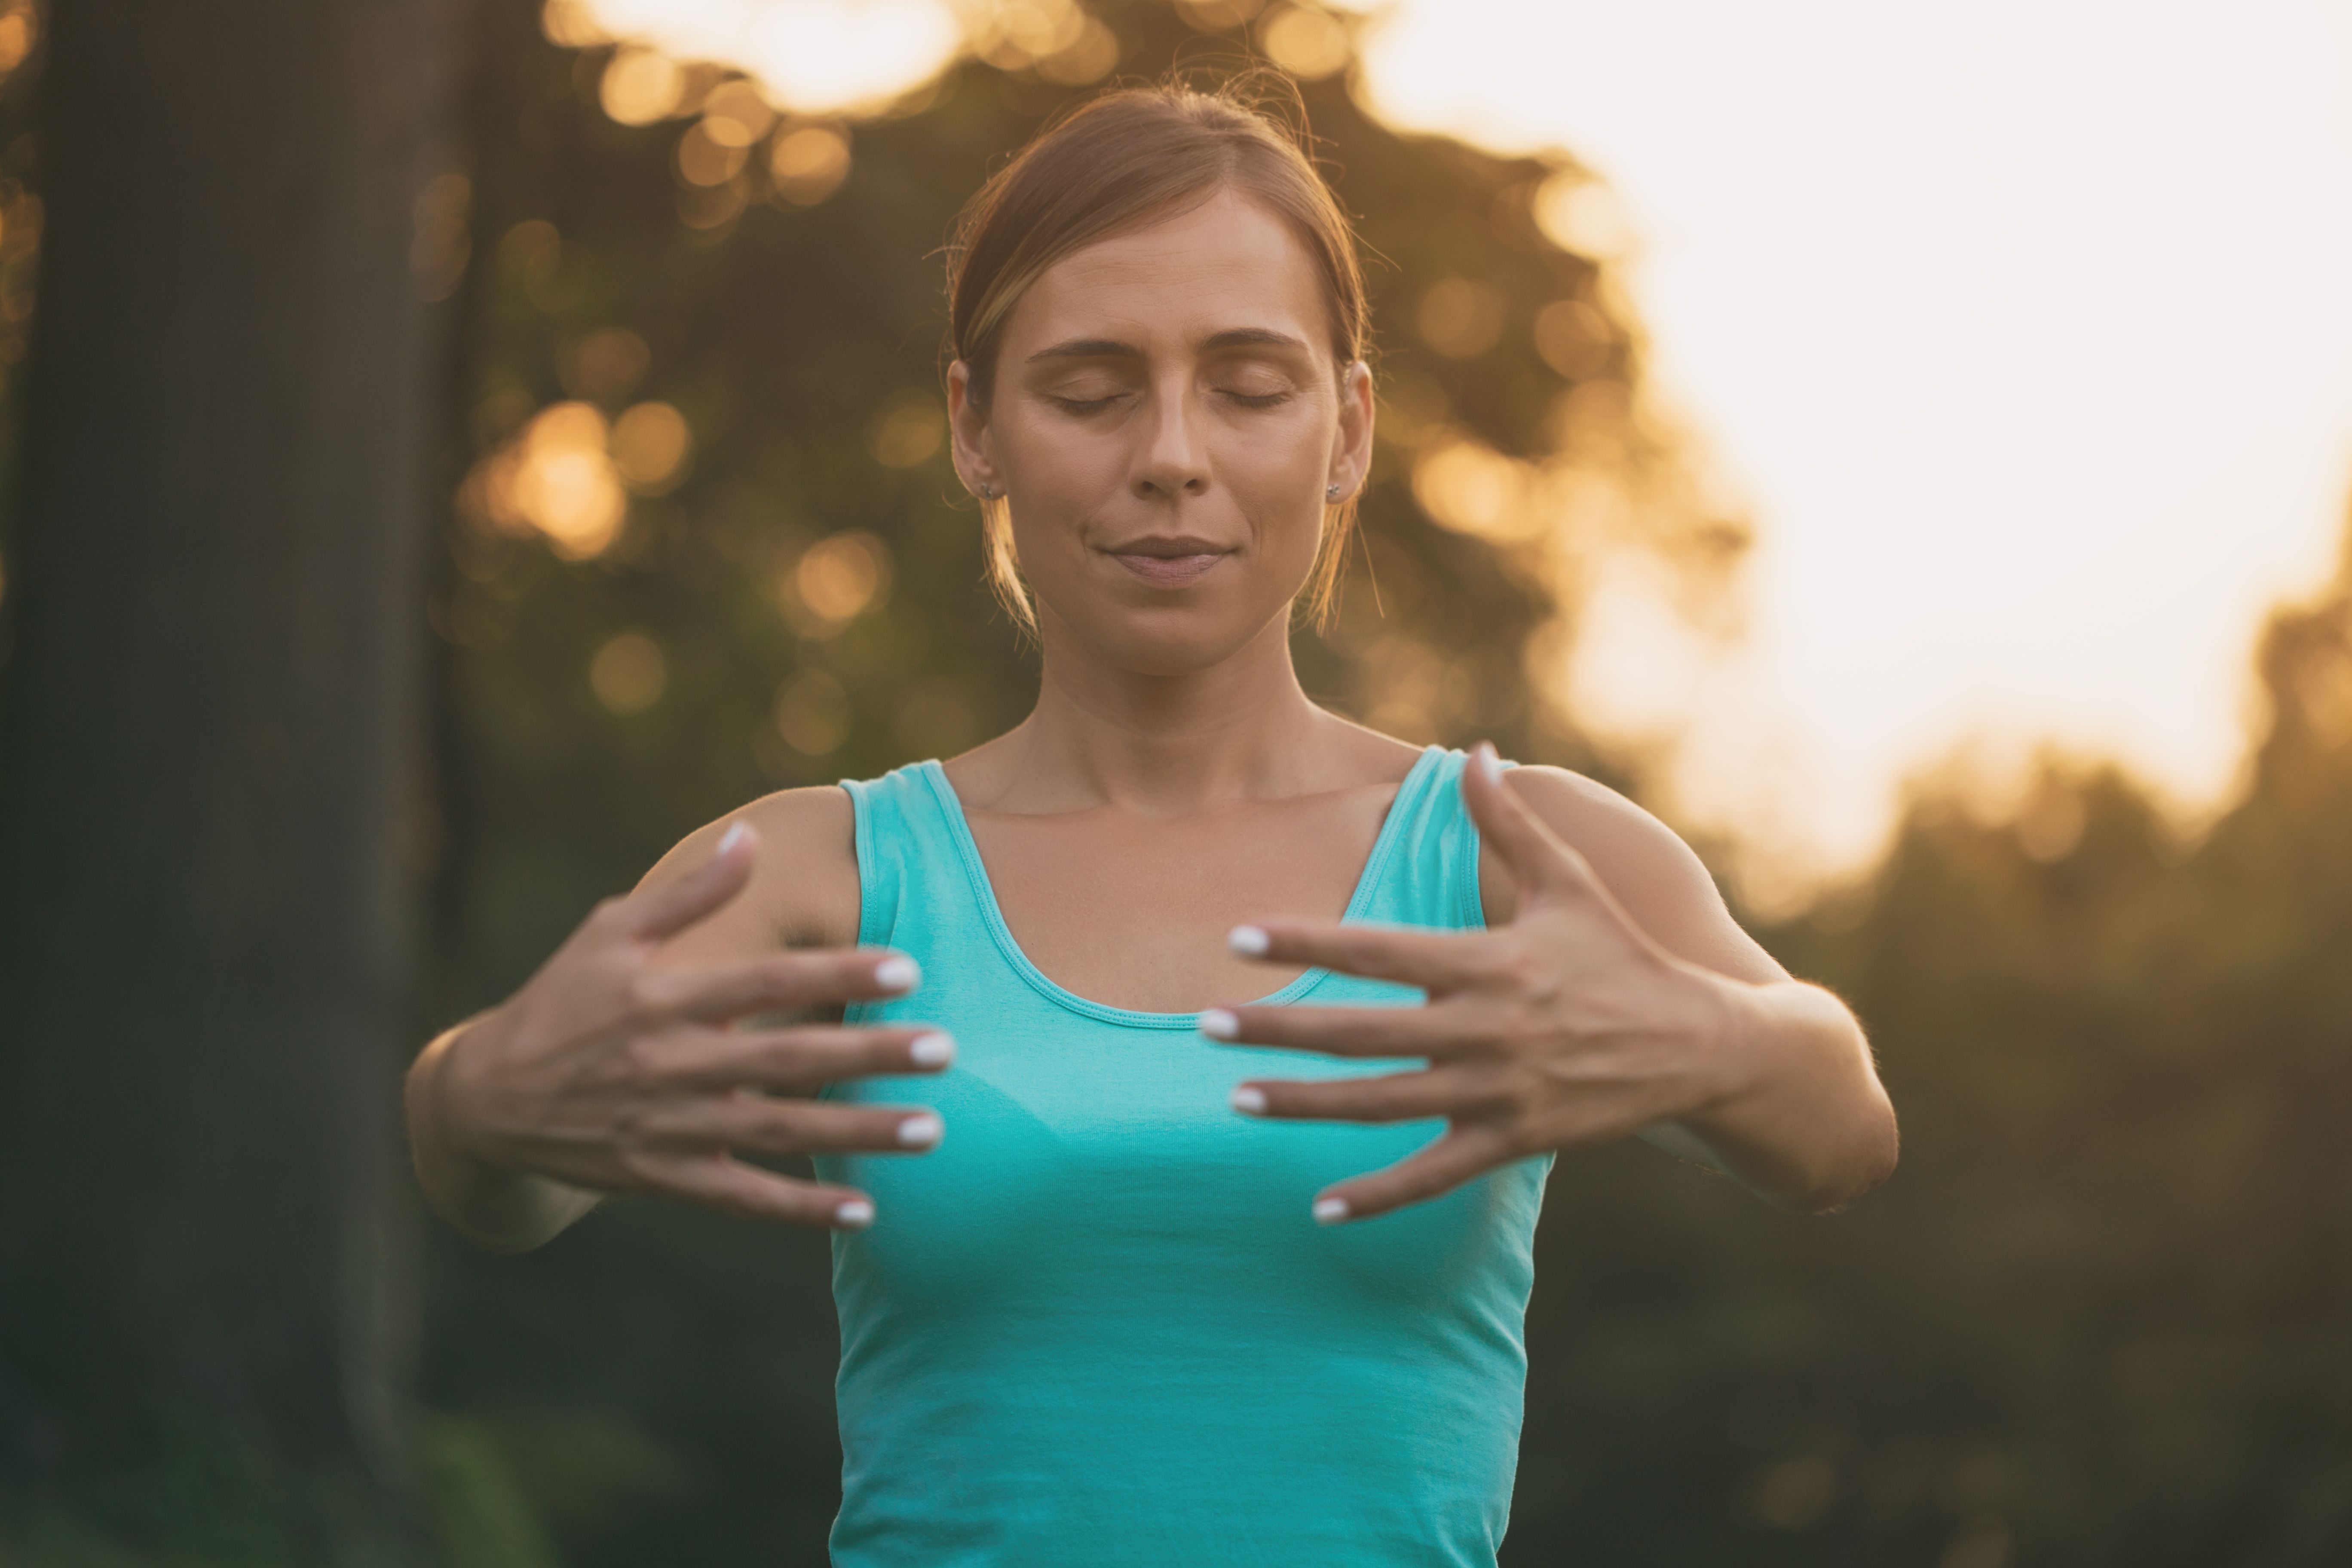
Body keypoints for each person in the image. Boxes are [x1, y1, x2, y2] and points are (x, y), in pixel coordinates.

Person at [404, 82, 1898, 1568]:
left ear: (1348, 430)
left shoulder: (1519, 855)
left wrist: (1712, 1043)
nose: (1173, 453)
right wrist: (482, 1099)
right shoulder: (826, 874)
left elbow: (1841, 1132)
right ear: (975, 425)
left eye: (1250, 387)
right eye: (1090, 388)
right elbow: (496, 1167)